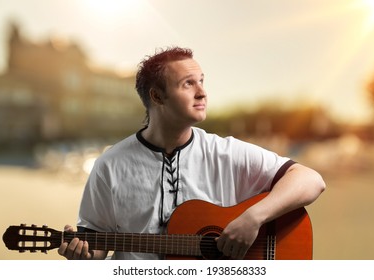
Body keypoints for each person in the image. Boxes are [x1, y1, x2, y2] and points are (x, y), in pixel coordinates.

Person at [58, 46, 325, 260]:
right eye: (188, 84)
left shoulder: (227, 153)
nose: (202, 92)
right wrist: (85, 254)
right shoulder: (110, 165)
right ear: (157, 96)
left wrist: (253, 218)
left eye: (201, 81)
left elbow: (310, 180)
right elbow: (97, 244)